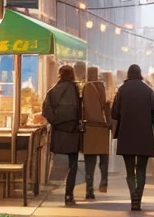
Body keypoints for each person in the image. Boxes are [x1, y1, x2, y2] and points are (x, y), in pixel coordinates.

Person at [111, 64, 154, 211]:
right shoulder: (148, 90)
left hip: (126, 134)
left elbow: (114, 113)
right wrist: (151, 121)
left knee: (129, 170)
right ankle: (138, 198)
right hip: (144, 135)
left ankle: (133, 195)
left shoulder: (122, 90)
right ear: (140, 74)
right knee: (141, 169)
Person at [42, 65, 81, 205]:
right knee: (73, 164)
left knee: (56, 160)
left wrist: (55, 121)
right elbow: (80, 110)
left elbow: (45, 109)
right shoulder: (76, 89)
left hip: (58, 131)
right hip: (73, 131)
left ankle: (53, 182)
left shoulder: (52, 91)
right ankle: (69, 195)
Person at [82, 65, 111, 199]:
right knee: (104, 157)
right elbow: (106, 105)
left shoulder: (85, 87)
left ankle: (89, 190)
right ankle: (104, 181)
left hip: (89, 127)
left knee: (90, 160)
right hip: (102, 126)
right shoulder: (101, 87)